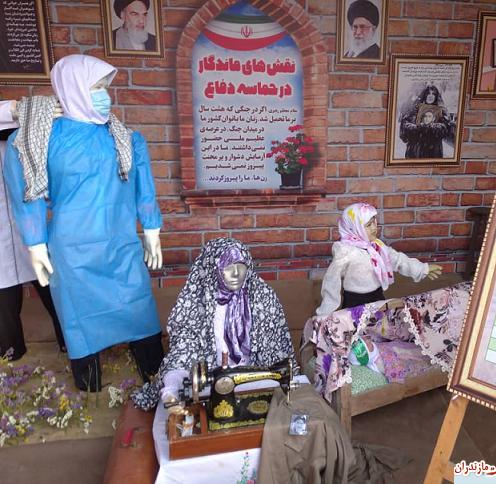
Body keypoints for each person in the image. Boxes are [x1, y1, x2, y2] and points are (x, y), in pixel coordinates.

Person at [3, 54, 164, 392]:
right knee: (79, 317)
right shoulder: (39, 139)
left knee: (138, 307)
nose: (104, 95)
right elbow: (27, 193)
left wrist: (152, 229)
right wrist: (35, 243)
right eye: (95, 87)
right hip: (72, 250)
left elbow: (144, 186)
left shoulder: (123, 137)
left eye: (105, 87)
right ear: (72, 88)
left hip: (121, 244)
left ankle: (159, 377)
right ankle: (90, 391)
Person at [132, 238, 295, 412]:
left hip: (256, 382)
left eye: (241, 265)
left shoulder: (263, 296)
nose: (236, 273)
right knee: (175, 418)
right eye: (228, 266)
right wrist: (171, 389)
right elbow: (183, 351)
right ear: (213, 268)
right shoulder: (196, 301)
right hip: (210, 385)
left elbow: (278, 350)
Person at [0, 100, 66, 360]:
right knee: (4, 301)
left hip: (29, 223)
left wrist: (26, 110)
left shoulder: (17, 130)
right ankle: (11, 359)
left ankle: (72, 343)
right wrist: (14, 109)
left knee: (53, 285)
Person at [315, 202, 442, 317]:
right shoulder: (346, 252)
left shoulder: (377, 247)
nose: (374, 228)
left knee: (379, 327)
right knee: (356, 330)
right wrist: (325, 314)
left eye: (374, 222)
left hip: (377, 297)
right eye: (368, 225)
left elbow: (397, 259)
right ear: (355, 227)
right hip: (355, 302)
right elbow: (331, 281)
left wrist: (421, 269)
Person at [399, 85, 450, 159]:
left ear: (436, 96)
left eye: (433, 94)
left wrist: (431, 127)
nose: (430, 96)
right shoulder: (415, 108)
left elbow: (446, 128)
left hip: (433, 151)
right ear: (424, 95)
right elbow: (404, 125)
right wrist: (417, 127)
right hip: (415, 149)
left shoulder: (441, 110)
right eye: (428, 93)